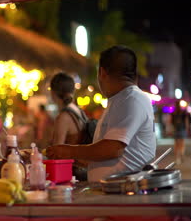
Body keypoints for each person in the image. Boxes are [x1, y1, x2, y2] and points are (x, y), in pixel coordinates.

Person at [47, 45, 156, 182]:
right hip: (111, 189)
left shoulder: (132, 99)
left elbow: (112, 149)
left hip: (124, 191)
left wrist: (68, 150)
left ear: (102, 73)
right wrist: (71, 157)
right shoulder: (121, 99)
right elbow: (110, 156)